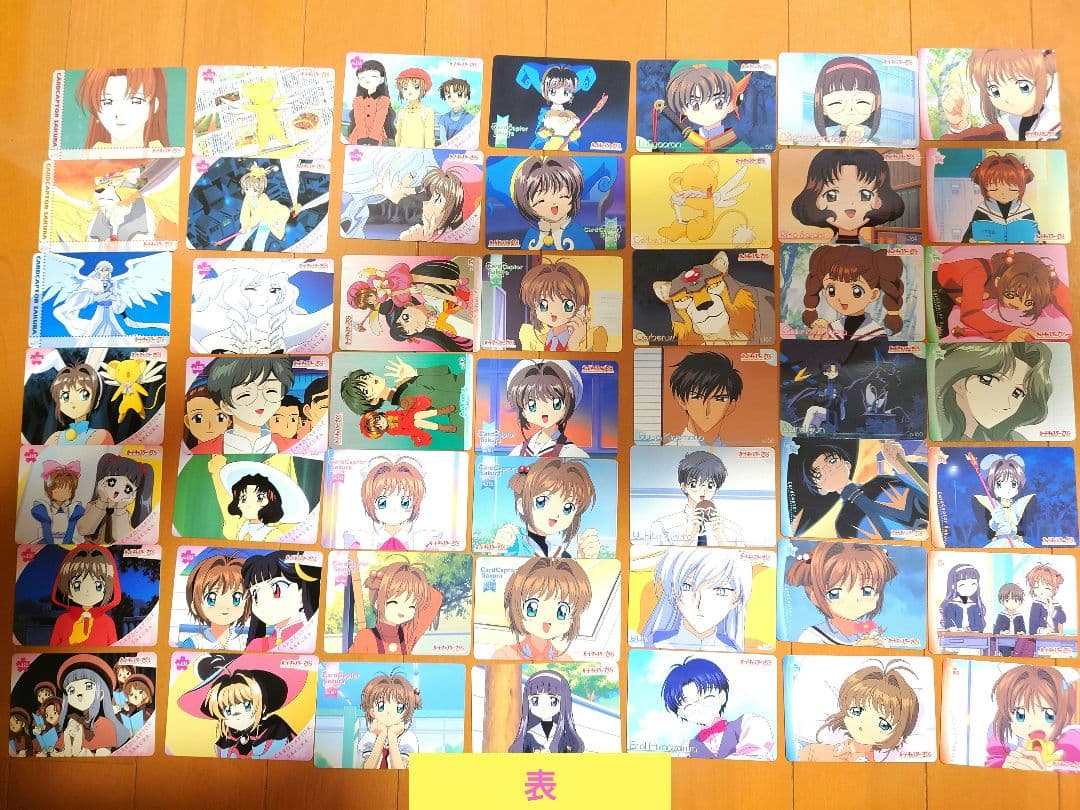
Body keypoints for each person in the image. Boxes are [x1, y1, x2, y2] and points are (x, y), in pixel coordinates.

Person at [662, 657, 773, 759]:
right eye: (688, 705)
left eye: (706, 697)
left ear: (722, 697)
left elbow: (757, 757)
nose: (698, 706)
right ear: (681, 713)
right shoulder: (688, 749)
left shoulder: (748, 723)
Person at [647, 451, 742, 546]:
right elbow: (656, 556)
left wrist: (722, 539)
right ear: (684, 487)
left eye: (710, 485)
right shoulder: (663, 526)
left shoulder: (734, 530)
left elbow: (743, 555)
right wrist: (687, 538)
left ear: (716, 488)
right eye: (694, 484)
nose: (703, 491)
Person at [508, 670, 584, 753]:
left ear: (564, 703)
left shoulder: (565, 738)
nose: (543, 706)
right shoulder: (528, 737)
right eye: (535, 700)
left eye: (553, 700)